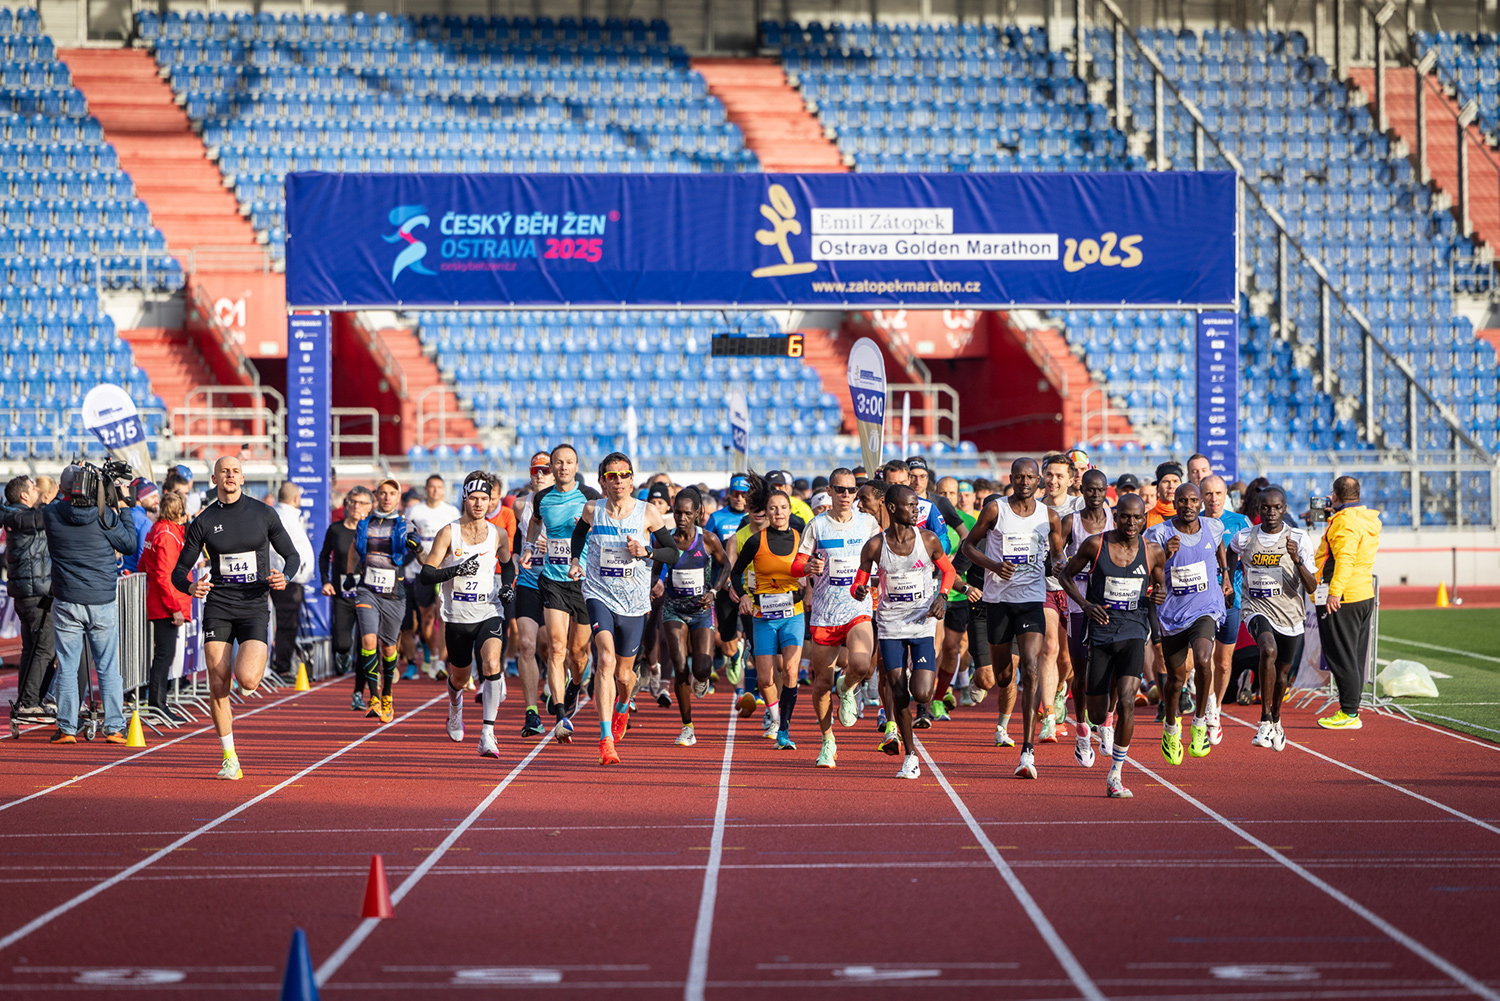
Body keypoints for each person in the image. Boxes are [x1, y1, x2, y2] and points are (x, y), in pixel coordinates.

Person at [172, 456, 302, 777]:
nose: (230, 476)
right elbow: (178, 572)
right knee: (217, 683)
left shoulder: (263, 513)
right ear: (215, 479)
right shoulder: (202, 522)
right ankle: (229, 757)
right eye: (224, 472)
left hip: (255, 603)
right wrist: (191, 588)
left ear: (242, 479)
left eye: (236, 471)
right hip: (219, 605)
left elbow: (292, 555)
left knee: (247, 680)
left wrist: (284, 576)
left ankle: (249, 672)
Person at [568, 452, 679, 763]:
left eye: (624, 475)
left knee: (624, 675)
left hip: (633, 601)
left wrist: (646, 551)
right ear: (603, 481)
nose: (618, 481)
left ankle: (622, 705)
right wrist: (575, 561)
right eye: (611, 476)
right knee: (604, 659)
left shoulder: (649, 514)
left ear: (632, 479)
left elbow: (672, 553)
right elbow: (579, 535)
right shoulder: (592, 509)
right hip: (598, 593)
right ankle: (605, 738)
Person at [960, 457, 1065, 779]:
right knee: (1003, 677)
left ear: (1038, 482)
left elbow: (1058, 556)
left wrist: (1061, 565)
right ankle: (1007, 692)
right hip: (998, 602)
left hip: (1032, 600)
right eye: (1018, 477)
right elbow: (967, 546)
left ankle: (1027, 751)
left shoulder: (1049, 517)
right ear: (1011, 479)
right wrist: (992, 566)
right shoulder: (996, 510)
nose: (1024, 482)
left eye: (1030, 477)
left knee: (1031, 667)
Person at [1058, 494, 1167, 798]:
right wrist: (1086, 604)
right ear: (1115, 517)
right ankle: (1097, 723)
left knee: (1129, 701)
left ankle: (1116, 774)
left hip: (1133, 631)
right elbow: (1065, 576)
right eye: (1125, 517)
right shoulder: (1096, 544)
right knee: (1096, 712)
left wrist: (1158, 594)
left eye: (1137, 518)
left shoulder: (1153, 551)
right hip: (1101, 633)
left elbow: (1160, 586)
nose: (1131, 523)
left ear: (1144, 520)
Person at [851, 484, 957, 779]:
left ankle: (915, 680)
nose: (916, 511)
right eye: (911, 506)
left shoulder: (929, 539)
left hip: (922, 622)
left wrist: (943, 597)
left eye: (917, 506)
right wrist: (859, 590)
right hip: (890, 626)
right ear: (893, 508)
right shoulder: (874, 546)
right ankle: (910, 755)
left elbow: (948, 572)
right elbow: (858, 584)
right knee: (898, 693)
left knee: (921, 693)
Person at [792, 466, 881, 768]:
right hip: (825, 613)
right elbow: (797, 563)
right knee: (821, 683)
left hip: (858, 607)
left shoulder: (868, 523)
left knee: (860, 665)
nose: (846, 495)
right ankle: (827, 739)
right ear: (829, 491)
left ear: (857, 493)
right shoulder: (817, 525)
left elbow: (884, 557)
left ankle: (846, 688)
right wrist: (807, 569)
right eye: (840, 489)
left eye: (851, 490)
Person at [420, 472, 512, 756]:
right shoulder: (449, 532)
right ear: (464, 498)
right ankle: (455, 705)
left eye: (485, 498)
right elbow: (426, 574)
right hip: (457, 616)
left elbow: (507, 565)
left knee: (492, 664)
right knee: (460, 678)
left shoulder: (498, 533)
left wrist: (508, 586)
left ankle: (488, 733)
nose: (479, 503)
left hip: (489, 610)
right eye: (474, 498)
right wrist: (456, 570)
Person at [1143, 482, 1232, 763]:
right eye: (1183, 501)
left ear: (1200, 503)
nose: (1189, 505)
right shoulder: (1158, 533)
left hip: (1206, 607)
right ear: (1175, 503)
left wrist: (1225, 573)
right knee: (1175, 679)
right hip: (1173, 613)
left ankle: (1200, 721)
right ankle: (1171, 726)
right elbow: (1145, 567)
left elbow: (1219, 546)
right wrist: (1165, 555)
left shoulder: (1213, 526)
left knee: (1204, 658)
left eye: (1194, 500)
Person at [1227, 486, 1318, 751]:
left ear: (1284, 509)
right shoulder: (1245, 537)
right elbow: (1231, 552)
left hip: (1290, 615)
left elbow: (1311, 587)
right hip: (1256, 608)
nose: (1271, 512)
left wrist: (1296, 559)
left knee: (1282, 677)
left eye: (1276, 507)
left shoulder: (1299, 539)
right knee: (1267, 649)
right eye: (1265, 507)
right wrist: (1228, 580)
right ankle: (1265, 720)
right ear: (1258, 510)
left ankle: (1276, 719)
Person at [525, 443, 602, 741]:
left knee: (579, 655)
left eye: (569, 462)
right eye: (558, 463)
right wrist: (530, 548)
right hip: (553, 580)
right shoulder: (542, 498)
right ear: (552, 466)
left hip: (584, 583)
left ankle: (573, 687)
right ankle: (560, 716)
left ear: (576, 465)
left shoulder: (591, 498)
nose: (563, 467)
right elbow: (534, 522)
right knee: (557, 648)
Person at [728, 472, 806, 750]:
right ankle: (775, 718)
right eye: (773, 508)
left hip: (793, 615)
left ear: (790, 509)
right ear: (767, 512)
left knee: (791, 671)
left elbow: (812, 568)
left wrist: (808, 582)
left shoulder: (801, 538)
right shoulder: (754, 541)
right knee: (764, 678)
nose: (778, 513)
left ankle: (783, 729)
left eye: (783, 508)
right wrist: (744, 598)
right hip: (763, 617)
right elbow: (736, 573)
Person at [652, 487, 729, 747]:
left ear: (697, 513)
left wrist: (714, 591)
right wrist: (654, 585)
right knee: (679, 665)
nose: (681, 518)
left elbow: (726, 565)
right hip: (673, 609)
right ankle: (687, 726)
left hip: (701, 611)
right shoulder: (665, 540)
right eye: (677, 512)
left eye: (687, 513)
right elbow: (654, 571)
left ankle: (703, 678)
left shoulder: (708, 540)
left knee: (702, 669)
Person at [345, 479, 414, 726]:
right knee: (368, 639)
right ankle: (373, 697)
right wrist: (351, 574)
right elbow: (354, 549)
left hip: (394, 593)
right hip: (367, 590)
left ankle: (387, 694)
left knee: (388, 647)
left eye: (392, 493)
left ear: (398, 497)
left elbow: (422, 551)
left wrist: (426, 561)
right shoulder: (366, 522)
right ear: (376, 496)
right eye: (382, 493)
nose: (386, 497)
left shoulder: (406, 524)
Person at [1314, 475, 1381, 731]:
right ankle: (1351, 709)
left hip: (1344, 596)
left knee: (1341, 656)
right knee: (1353, 657)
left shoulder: (1344, 522)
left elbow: (1345, 558)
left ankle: (1349, 712)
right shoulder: (1365, 517)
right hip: (1363, 593)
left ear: (1334, 496)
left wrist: (1334, 592)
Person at [1061, 469, 1113, 759]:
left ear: (1106, 490)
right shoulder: (1072, 522)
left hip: (1111, 604)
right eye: (1090, 490)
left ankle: (1106, 721)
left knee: (1112, 669)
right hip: (1079, 604)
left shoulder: (1118, 520)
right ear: (1082, 490)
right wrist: (1060, 564)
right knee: (1080, 672)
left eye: (1100, 490)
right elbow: (1054, 556)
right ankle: (1082, 729)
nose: (1095, 495)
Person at [1037, 453, 1083, 744]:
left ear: (1070, 479)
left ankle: (1059, 691)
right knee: (1050, 646)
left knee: (1068, 658)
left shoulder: (1080, 507)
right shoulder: (1035, 508)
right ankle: (1049, 719)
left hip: (1076, 589)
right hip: (1043, 586)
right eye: (1049, 474)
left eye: (1059, 476)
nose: (1054, 480)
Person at [1200, 474, 1249, 744]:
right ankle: (1207, 707)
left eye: (1218, 493)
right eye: (1208, 494)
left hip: (1232, 601)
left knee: (1224, 662)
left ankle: (1216, 708)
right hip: (1202, 602)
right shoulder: (1192, 522)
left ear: (1226, 494)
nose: (1214, 499)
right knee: (1203, 657)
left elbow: (1253, 559)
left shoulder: (1240, 522)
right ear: (1201, 495)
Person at [3, 476, 55, 723]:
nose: (38, 490)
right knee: (44, 647)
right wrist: (52, 500)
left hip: (29, 592)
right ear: (24, 496)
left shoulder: (18, 516)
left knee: (33, 649)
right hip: (35, 593)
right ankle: (30, 703)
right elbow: (43, 517)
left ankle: (30, 700)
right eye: (33, 488)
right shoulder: (21, 517)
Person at [511, 452, 555, 737]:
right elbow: (517, 537)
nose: (540, 475)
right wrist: (517, 557)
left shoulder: (569, 502)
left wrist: (552, 543)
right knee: (526, 643)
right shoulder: (518, 505)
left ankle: (558, 686)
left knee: (549, 646)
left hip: (557, 581)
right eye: (535, 470)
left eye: (545, 470)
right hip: (529, 580)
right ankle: (531, 713)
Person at [320, 486, 373, 707]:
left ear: (371, 507)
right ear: (346, 504)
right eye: (352, 502)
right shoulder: (335, 529)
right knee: (342, 643)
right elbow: (324, 556)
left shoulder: (373, 530)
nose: (356, 507)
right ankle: (343, 654)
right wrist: (325, 581)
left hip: (369, 596)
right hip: (343, 595)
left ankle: (358, 693)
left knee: (366, 646)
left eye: (361, 503)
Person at [142, 491, 191, 721]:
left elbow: (145, 564)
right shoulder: (167, 535)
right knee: (164, 655)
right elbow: (164, 575)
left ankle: (158, 703)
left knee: (163, 655)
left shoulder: (158, 530)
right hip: (165, 603)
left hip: (161, 600)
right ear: (178, 511)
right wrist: (174, 608)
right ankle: (157, 705)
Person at [406, 474, 461, 680]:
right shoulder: (415, 511)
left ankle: (439, 660)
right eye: (431, 487)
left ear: (444, 489)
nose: (435, 490)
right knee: (425, 618)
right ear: (426, 489)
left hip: (444, 570)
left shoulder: (451, 511)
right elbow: (407, 537)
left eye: (439, 487)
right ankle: (432, 653)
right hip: (419, 570)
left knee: (443, 616)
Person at [706, 474, 751, 693]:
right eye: (736, 494)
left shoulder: (757, 517)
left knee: (749, 633)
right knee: (727, 639)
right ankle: (734, 654)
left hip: (750, 587)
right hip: (724, 585)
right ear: (729, 495)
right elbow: (705, 550)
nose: (740, 498)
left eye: (744, 494)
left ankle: (747, 688)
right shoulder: (716, 518)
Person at [270, 482, 317, 682]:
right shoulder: (284, 517)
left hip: (289, 578)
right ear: (296, 499)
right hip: (287, 579)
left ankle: (282, 664)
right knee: (287, 623)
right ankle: (282, 667)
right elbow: (278, 550)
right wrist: (290, 574)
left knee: (287, 623)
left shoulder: (285, 516)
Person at [121, 479, 159, 573]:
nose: (157, 501)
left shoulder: (121, 513)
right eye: (153, 497)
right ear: (141, 497)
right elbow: (143, 556)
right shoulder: (145, 522)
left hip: (117, 573)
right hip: (133, 577)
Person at [1146, 462, 1181, 527]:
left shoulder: (1190, 516)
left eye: (1175, 481)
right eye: (1166, 482)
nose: (1171, 486)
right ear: (1158, 487)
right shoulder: (1145, 519)